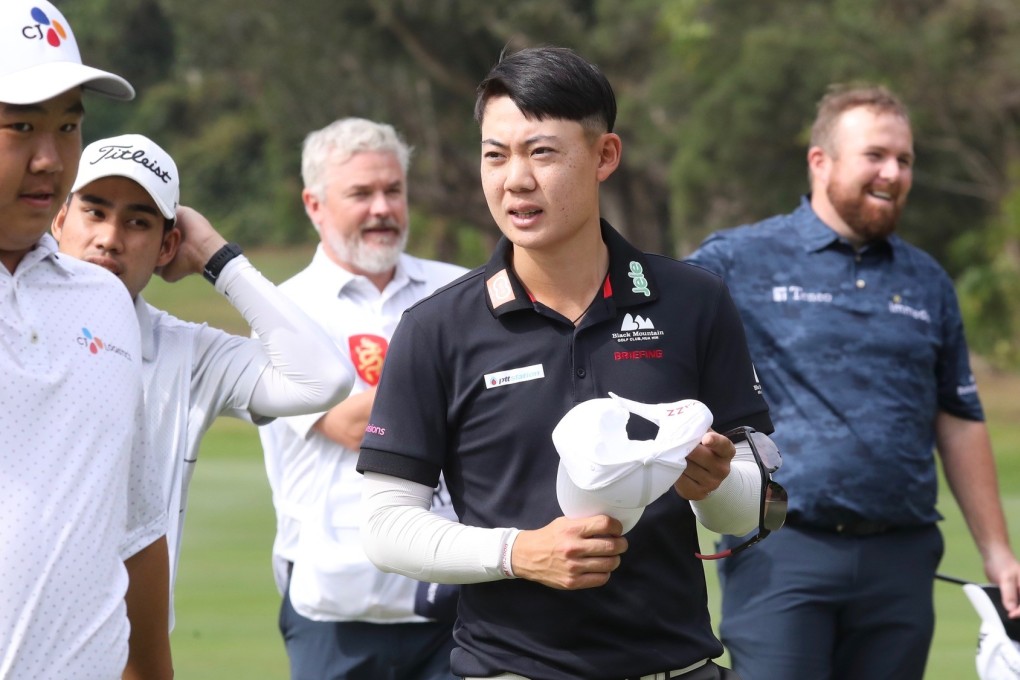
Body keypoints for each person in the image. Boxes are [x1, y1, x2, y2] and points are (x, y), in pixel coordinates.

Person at [356, 46, 773, 680]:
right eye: (495, 155)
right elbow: (385, 527)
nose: (514, 179)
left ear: (605, 155)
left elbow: (755, 508)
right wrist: (519, 553)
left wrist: (715, 485)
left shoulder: (696, 301)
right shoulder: (435, 328)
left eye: (542, 152)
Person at [685, 84, 1020, 680]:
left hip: (903, 557)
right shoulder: (739, 258)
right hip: (782, 549)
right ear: (822, 161)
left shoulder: (928, 281)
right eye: (876, 155)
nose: (893, 172)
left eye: (906, 159)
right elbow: (669, 354)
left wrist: (998, 552)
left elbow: (960, 416)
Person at [50, 132, 354, 631]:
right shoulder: (12, 324)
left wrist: (217, 258)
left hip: (133, 653)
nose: (109, 237)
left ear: (168, 245)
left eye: (138, 222)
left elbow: (321, 380)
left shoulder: (188, 353)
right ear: (61, 219)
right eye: (95, 212)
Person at [259, 117, 468, 680]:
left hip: (449, 587)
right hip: (334, 600)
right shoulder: (281, 311)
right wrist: (464, 387)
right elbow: (358, 426)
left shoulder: (461, 291)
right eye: (361, 193)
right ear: (315, 204)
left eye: (393, 190)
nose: (382, 208)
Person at [0, 1, 171, 678]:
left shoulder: (105, 301)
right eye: (21, 127)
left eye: (67, 126)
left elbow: (134, 523)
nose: (50, 158)